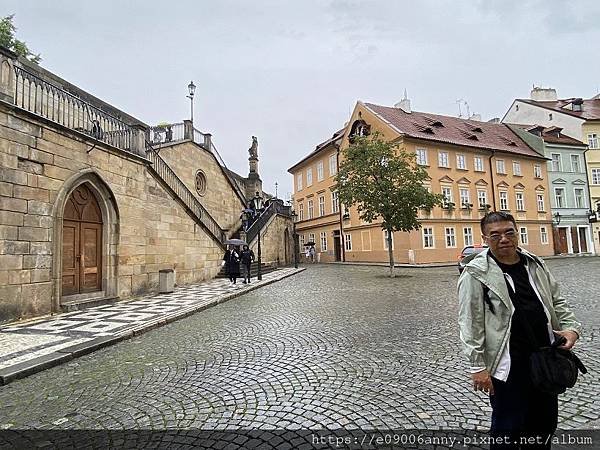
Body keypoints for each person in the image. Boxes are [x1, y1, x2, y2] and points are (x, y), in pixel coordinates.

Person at [457, 212, 581, 449]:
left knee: (544, 425)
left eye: (509, 232)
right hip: (507, 366)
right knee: (508, 429)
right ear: (485, 239)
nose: (503, 239)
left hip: (544, 358)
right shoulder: (476, 273)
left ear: (517, 233)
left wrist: (571, 329)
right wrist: (478, 366)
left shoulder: (534, 263)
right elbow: (469, 322)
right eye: (495, 235)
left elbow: (557, 300)